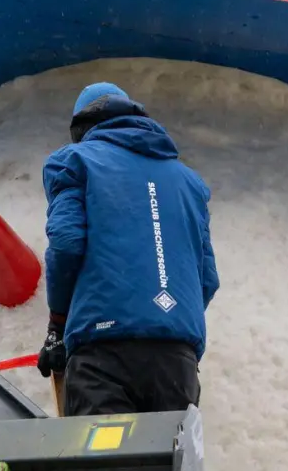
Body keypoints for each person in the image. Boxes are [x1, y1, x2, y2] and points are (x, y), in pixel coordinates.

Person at [36, 82, 220, 416]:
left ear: (82, 128)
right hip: (177, 359)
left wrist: (57, 327)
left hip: (102, 356)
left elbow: (65, 244)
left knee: (107, 465)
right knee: (166, 465)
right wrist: (162, 321)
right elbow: (206, 279)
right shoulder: (190, 183)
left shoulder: (75, 160)